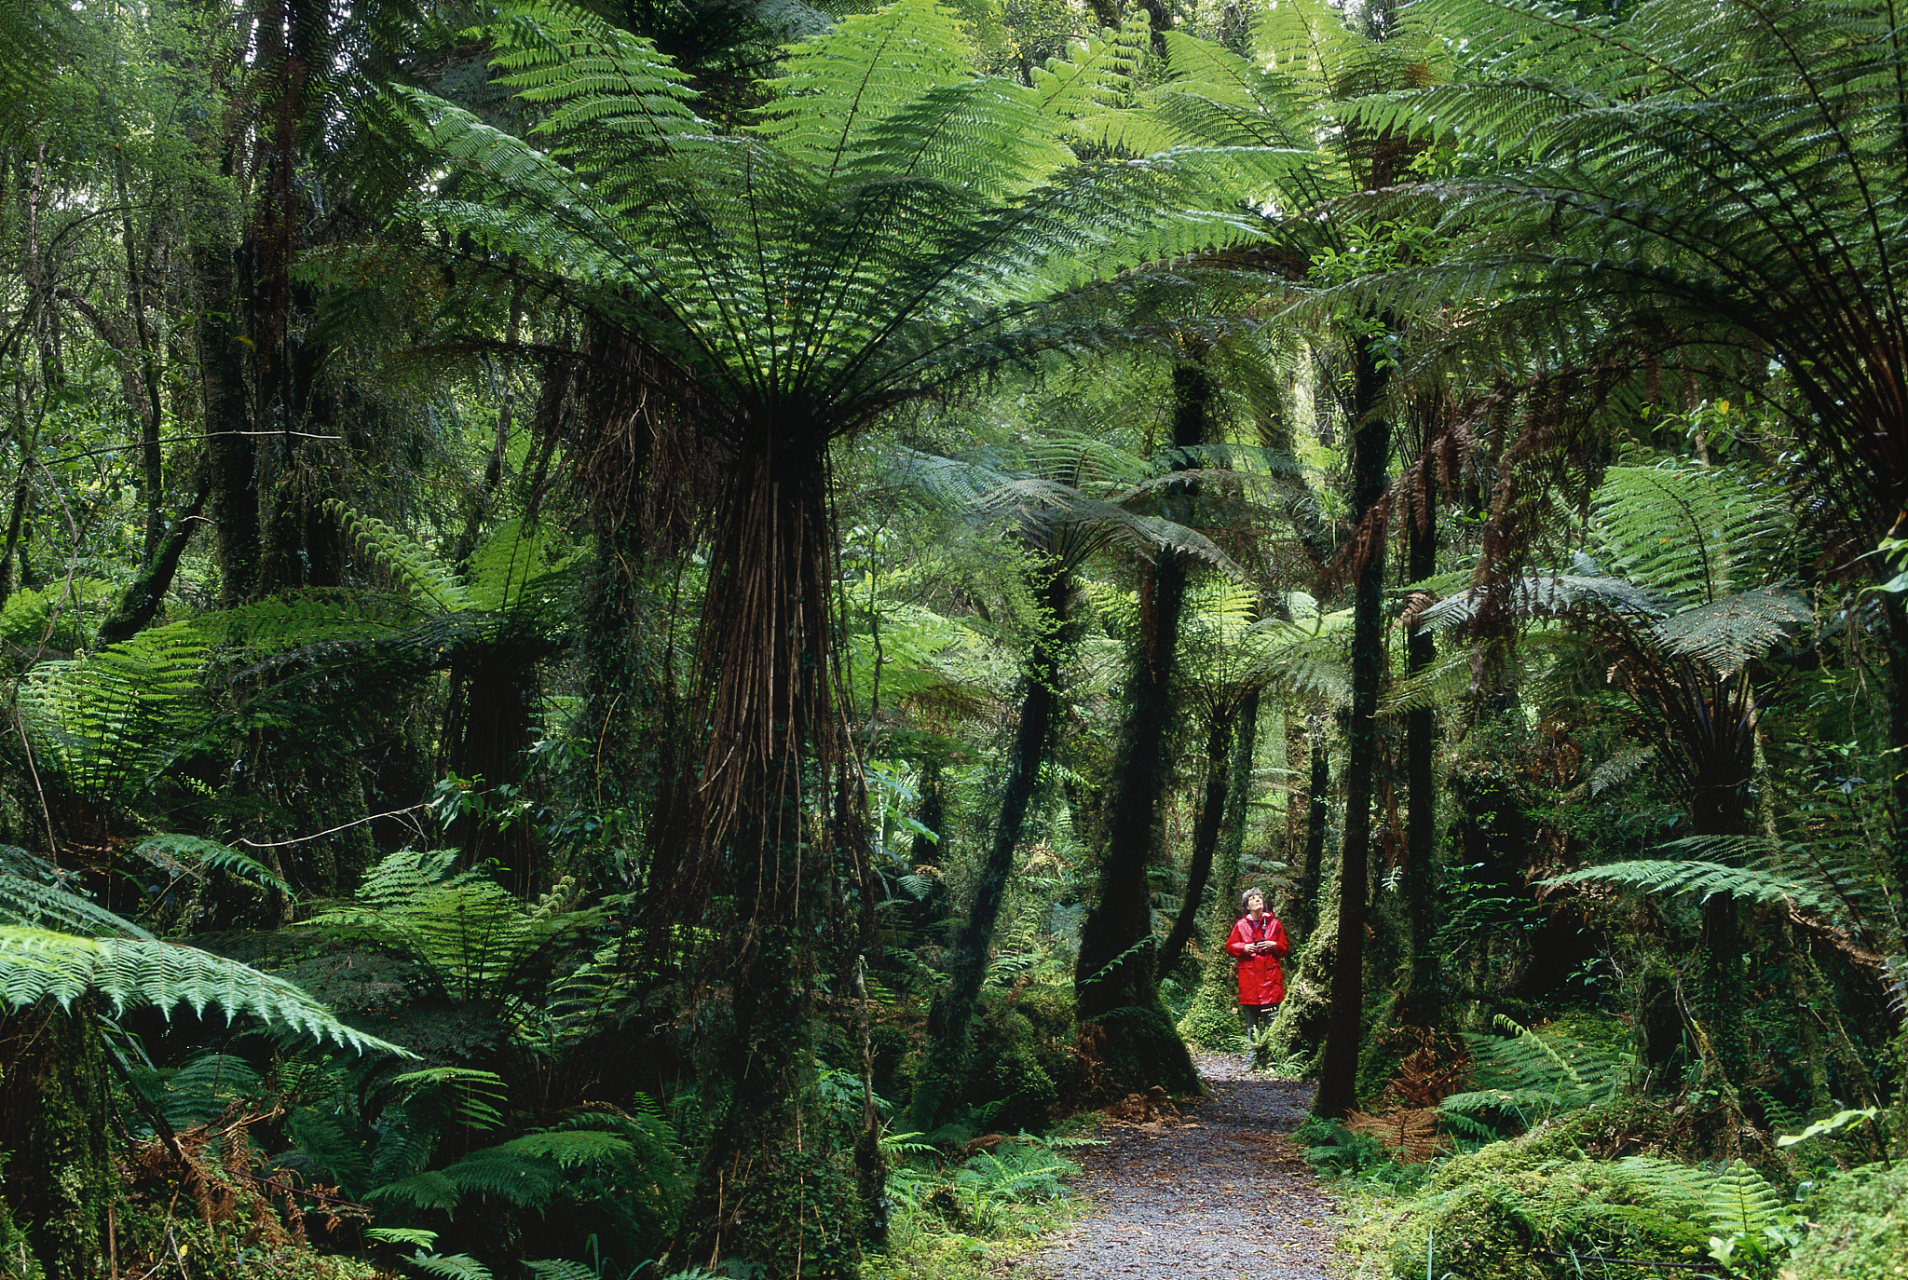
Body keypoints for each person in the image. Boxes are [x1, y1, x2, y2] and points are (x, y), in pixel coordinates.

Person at [1224, 886, 1290, 1063]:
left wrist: (1273, 945)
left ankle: (1271, 1054)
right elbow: (1229, 946)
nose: (1257, 900)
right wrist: (1243, 947)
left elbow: (1284, 949)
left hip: (1270, 980)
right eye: (1253, 898)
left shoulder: (1274, 924)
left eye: (1259, 897)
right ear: (1247, 905)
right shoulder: (1240, 926)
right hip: (1249, 980)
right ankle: (1253, 1053)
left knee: (1272, 1019)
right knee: (1251, 1021)